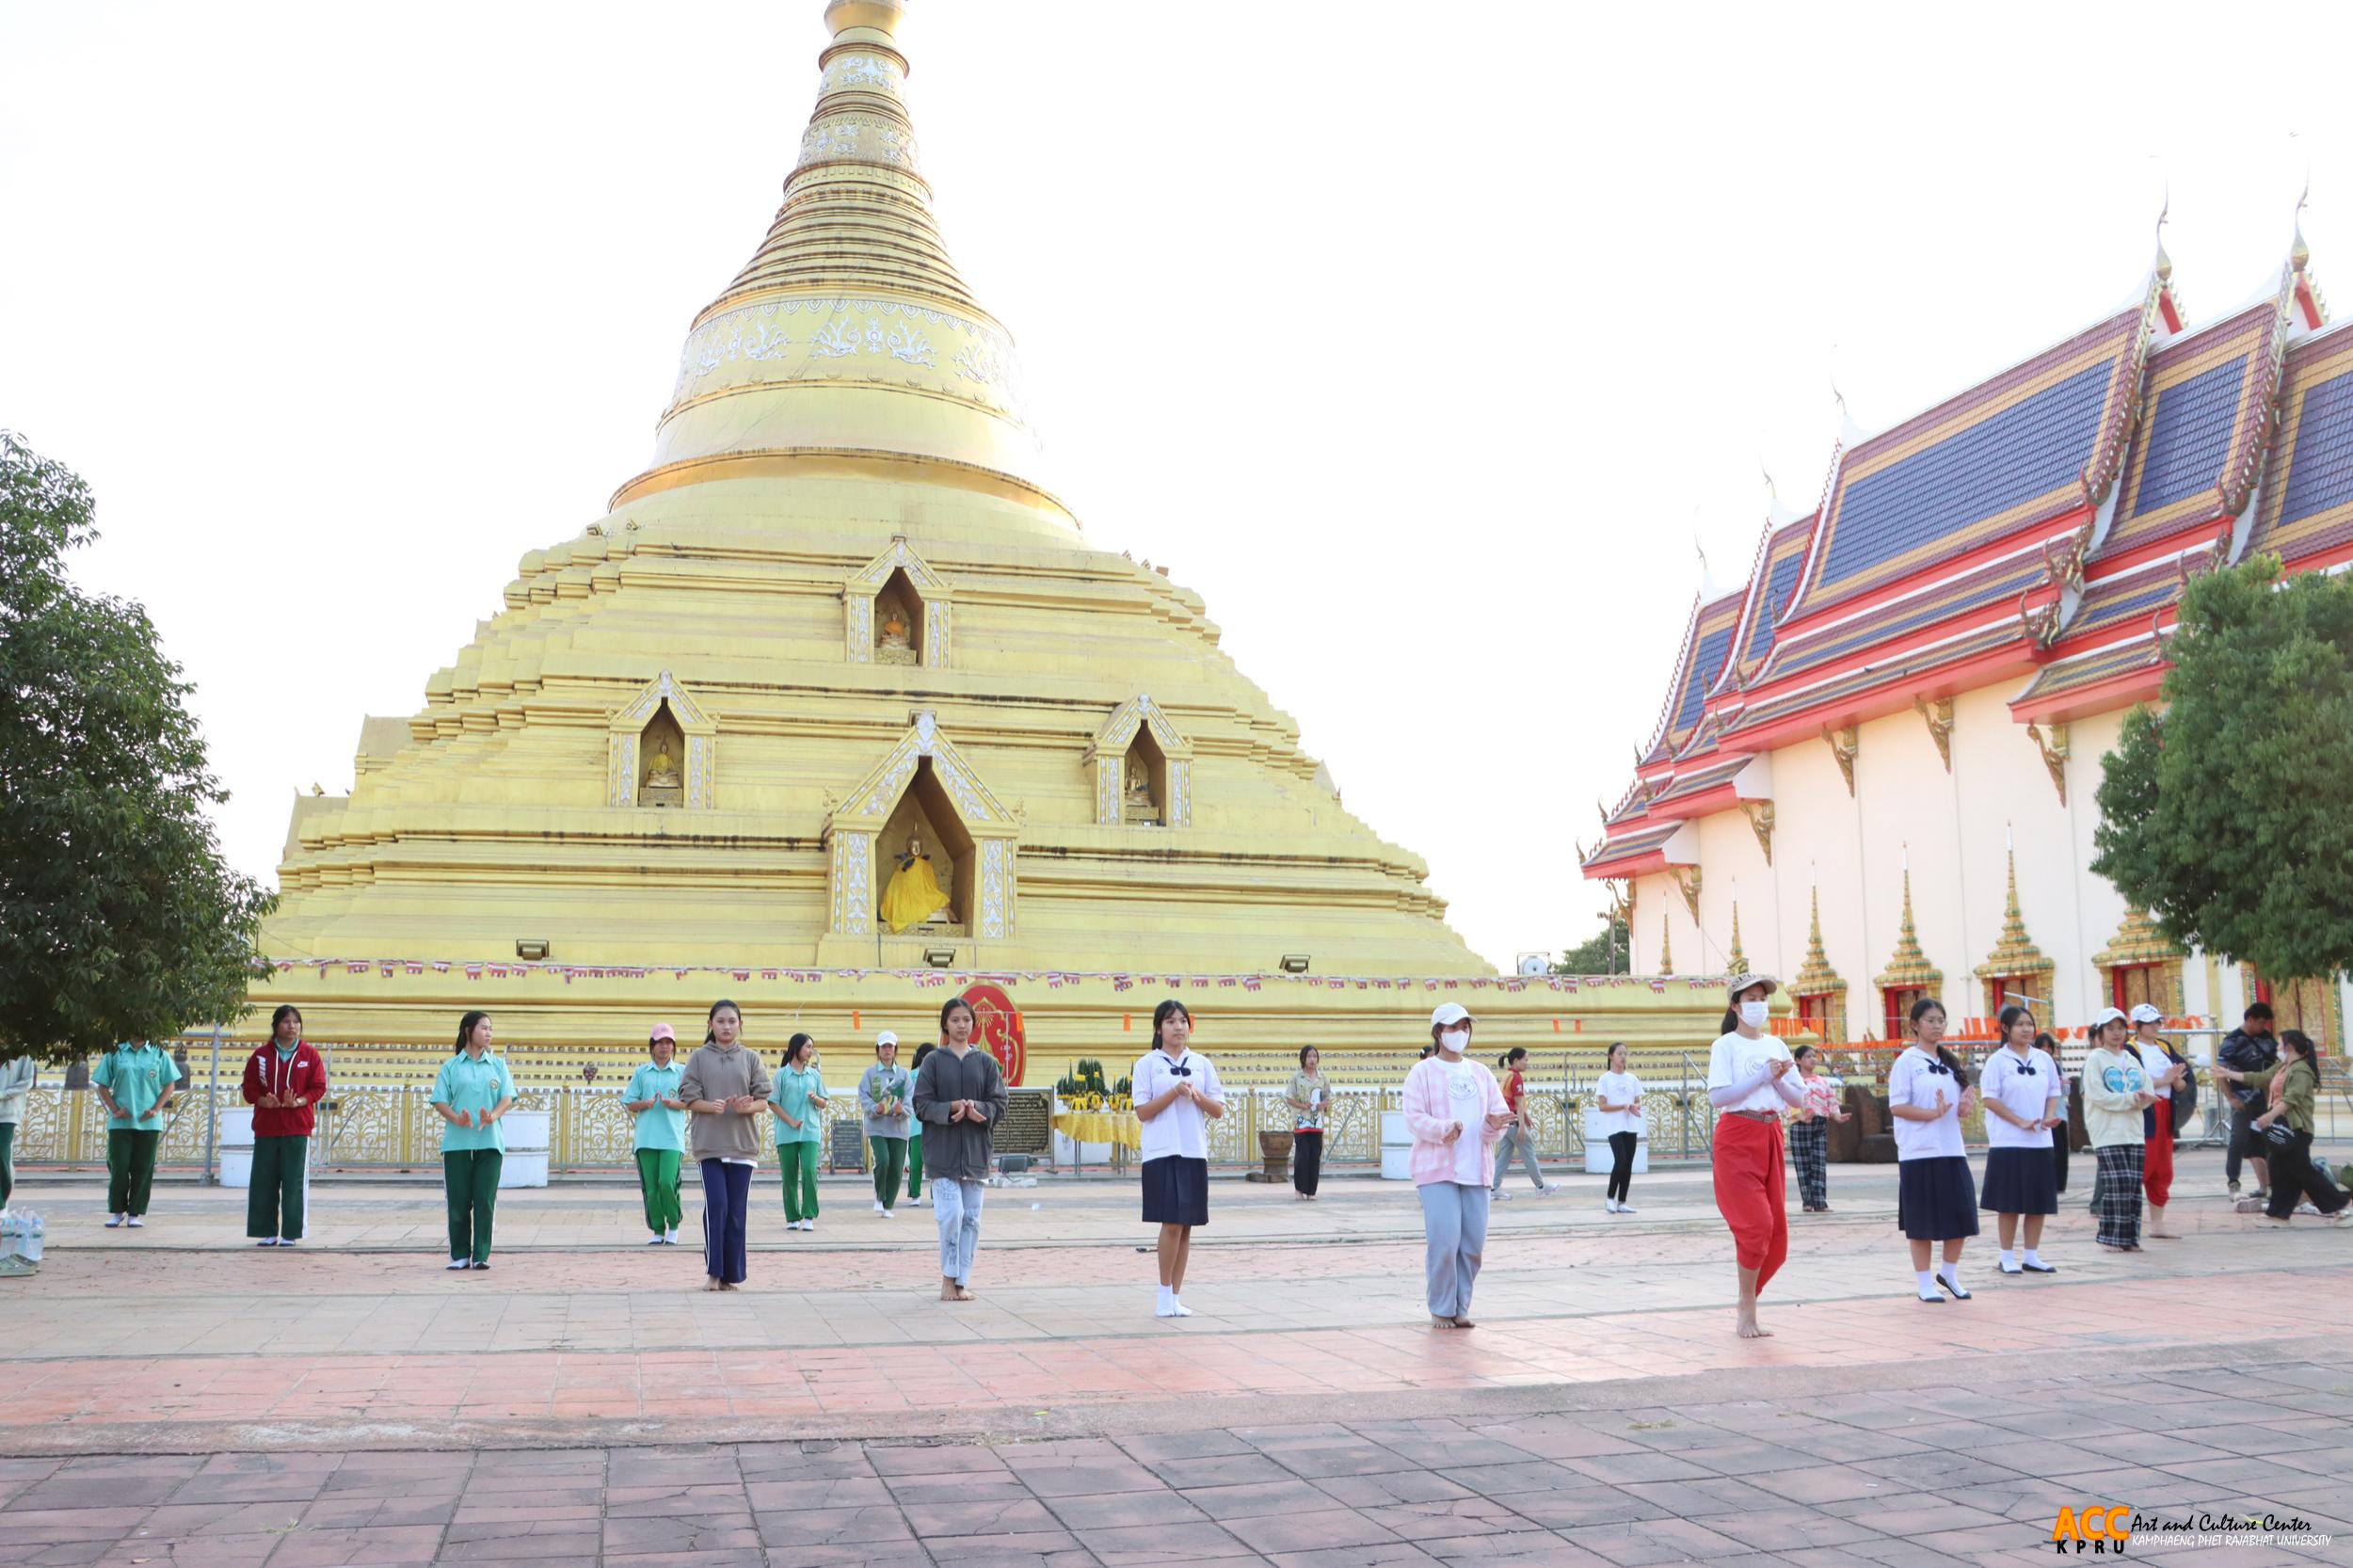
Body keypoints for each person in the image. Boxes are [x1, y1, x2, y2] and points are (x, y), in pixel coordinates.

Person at [1707, 974, 1804, 1336]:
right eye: (1750, 997)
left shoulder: (1777, 1044)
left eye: (1762, 997)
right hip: (1737, 1134)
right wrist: (1763, 1076)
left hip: (1770, 1133)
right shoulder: (1726, 1046)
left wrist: (1776, 1079)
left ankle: (1750, 1298)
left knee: (1775, 1232)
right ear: (1735, 1005)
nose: (1758, 1003)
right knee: (1756, 1224)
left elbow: (1798, 1099)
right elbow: (1719, 1097)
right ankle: (1746, 1305)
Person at [1403, 1004, 1510, 1328]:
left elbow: (1497, 1117)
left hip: (1477, 1169)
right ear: (1438, 1032)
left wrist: (1494, 1124)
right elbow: (1414, 1117)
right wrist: (1443, 1129)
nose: (1460, 1033)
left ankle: (1461, 1306)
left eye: (1464, 1026)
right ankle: (1440, 1306)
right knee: (1445, 1241)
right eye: (1452, 1027)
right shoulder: (1422, 1072)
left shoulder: (1480, 1073)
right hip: (1437, 1169)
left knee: (1472, 1245)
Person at [1133, 999, 1225, 1318]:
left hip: (1193, 1149)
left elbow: (1218, 1109)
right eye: (1171, 1021)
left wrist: (1195, 1095)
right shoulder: (1147, 1064)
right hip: (1162, 1151)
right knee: (1170, 1222)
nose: (1178, 1027)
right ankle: (1161, 1293)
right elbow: (1143, 1112)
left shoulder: (1201, 1063)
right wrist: (1174, 1092)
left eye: (1183, 1021)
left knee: (1186, 1225)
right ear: (1159, 1028)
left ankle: (1175, 1296)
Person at [913, 996, 1006, 1302]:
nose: (961, 1025)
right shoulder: (933, 1062)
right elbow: (921, 1104)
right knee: (951, 1214)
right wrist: (950, 1108)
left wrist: (979, 1109)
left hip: (976, 1155)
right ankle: (947, 1278)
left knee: (972, 1219)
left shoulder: (986, 1063)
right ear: (945, 1024)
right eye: (955, 1020)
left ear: (973, 1024)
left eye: (966, 1020)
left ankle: (962, 1280)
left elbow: (999, 1103)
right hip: (942, 1154)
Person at [1888, 998, 1978, 1302]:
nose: (1937, 1026)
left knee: (1961, 1214)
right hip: (1919, 1151)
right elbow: (1897, 1106)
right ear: (1915, 1025)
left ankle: (1949, 1272)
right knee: (1922, 1221)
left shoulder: (1950, 1063)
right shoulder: (1907, 1062)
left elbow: (1955, 1109)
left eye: (1941, 1020)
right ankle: (1924, 1282)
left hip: (1951, 1149)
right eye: (1930, 1020)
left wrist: (1963, 1108)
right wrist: (1932, 1114)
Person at [2213, 1030, 2351, 1227]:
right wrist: (2227, 1073)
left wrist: (2269, 1116)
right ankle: (2278, 1215)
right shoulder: (2283, 1067)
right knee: (2280, 1171)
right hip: (2283, 1129)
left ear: (2290, 1047)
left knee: (2304, 1173)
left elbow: (2292, 1098)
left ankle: (2343, 1207)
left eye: (2279, 1045)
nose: (2277, 1049)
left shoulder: (2301, 1070)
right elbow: (2259, 1078)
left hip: (2296, 1129)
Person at [680, 999, 772, 1291]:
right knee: (716, 1205)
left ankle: (731, 1276)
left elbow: (763, 1100)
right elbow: (688, 1096)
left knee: (736, 1211)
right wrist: (711, 1106)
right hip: (710, 1145)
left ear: (740, 1025)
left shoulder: (751, 1059)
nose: (726, 1026)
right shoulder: (698, 1058)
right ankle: (713, 1273)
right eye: (720, 1021)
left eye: (732, 1021)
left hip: (742, 1146)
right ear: (710, 1025)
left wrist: (748, 1106)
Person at [1977, 1006, 2061, 1276]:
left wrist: (2048, 1117)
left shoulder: (2043, 1059)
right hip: (2008, 1141)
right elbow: (1990, 1099)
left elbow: (2053, 1092)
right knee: (2009, 1202)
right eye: (2020, 1024)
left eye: (2030, 1024)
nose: (2026, 1029)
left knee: (2038, 1201)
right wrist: (2019, 1121)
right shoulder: (1997, 1061)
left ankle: (2032, 1255)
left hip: (2040, 1140)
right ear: (2005, 1028)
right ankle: (2006, 1256)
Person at [431, 1011, 515, 1272]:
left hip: (490, 1142)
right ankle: (459, 1254)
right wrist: (457, 1118)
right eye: (484, 1028)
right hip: (457, 1144)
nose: (489, 1033)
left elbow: (508, 1097)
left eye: (491, 1029)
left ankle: (480, 1254)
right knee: (458, 1200)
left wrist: (493, 1116)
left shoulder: (498, 1065)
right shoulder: (452, 1067)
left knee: (484, 1200)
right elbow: (440, 1100)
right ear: (468, 1031)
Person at [241, 1005, 326, 1247]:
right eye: (287, 1022)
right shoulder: (261, 1055)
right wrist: (263, 1101)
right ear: (276, 1025)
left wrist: (298, 1101)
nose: (292, 1026)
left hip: (297, 1127)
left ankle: (291, 1232)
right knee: (264, 1180)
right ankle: (267, 1231)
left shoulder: (309, 1055)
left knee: (294, 1181)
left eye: (296, 1022)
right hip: (266, 1127)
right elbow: (249, 1088)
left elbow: (318, 1087)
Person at [2082, 1007, 2153, 1252]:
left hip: (2133, 1130)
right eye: (2110, 1028)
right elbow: (2097, 1095)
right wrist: (2130, 1099)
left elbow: (2147, 1087)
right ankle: (2111, 1237)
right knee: (2117, 1182)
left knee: (2133, 1184)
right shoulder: (2096, 1059)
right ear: (2100, 1032)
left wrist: (2144, 1098)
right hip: (2107, 1131)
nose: (2116, 1033)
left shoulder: (2131, 1059)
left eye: (2120, 1028)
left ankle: (2130, 1238)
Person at [92, 1038, 181, 1228]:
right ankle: (117, 1211)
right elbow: (102, 1085)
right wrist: (114, 1109)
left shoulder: (159, 1053)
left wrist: (156, 1109)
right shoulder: (115, 1053)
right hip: (120, 1122)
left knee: (143, 1169)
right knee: (119, 1167)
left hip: (148, 1123)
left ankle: (135, 1213)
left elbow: (169, 1084)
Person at [623, 1024, 689, 1245]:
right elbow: (630, 1103)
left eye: (669, 1042)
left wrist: (674, 1103)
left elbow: (691, 1101)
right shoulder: (642, 1073)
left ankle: (674, 1224)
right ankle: (657, 1229)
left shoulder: (681, 1071)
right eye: (660, 1042)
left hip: (672, 1138)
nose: (665, 1047)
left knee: (667, 1182)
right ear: (652, 1046)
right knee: (651, 1187)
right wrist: (645, 1103)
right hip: (646, 1139)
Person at [2128, 1003, 2186, 1239]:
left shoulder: (2165, 1046)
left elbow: (2181, 1080)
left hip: (2166, 1110)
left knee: (2163, 1167)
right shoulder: (2130, 1050)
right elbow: (2135, 1081)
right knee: (2144, 1164)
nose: (2155, 1026)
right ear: (2138, 1026)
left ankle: (2158, 1223)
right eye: (2150, 1022)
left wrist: (2175, 1081)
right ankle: (2129, 1221)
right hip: (2146, 1111)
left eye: (2157, 1022)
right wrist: (2164, 1079)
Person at [2217, 1002, 2277, 1202]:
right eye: (2261, 1022)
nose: (2263, 1027)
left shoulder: (2267, 1039)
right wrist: (2231, 1098)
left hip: (2265, 1099)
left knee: (2268, 1140)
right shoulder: (2232, 1041)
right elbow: (2220, 1074)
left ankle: (2268, 1186)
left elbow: (2272, 1070)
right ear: (2250, 1019)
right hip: (2242, 1099)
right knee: (2239, 1141)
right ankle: (2233, 1183)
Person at [773, 1033, 828, 1231]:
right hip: (786, 1133)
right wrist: (791, 1121)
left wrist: (816, 1099)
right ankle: (792, 1217)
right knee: (789, 1176)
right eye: (807, 1047)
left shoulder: (814, 1075)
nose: (810, 1051)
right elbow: (773, 1103)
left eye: (812, 1047)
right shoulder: (781, 1075)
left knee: (809, 1171)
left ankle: (809, 1215)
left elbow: (824, 1102)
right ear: (796, 1048)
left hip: (810, 1132)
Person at [1785, 1043, 1848, 1214]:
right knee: (1803, 1164)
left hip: (1819, 1124)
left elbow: (1831, 1101)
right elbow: (1788, 1101)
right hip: (1800, 1125)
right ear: (1798, 1060)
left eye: (1814, 1056)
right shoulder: (1793, 1081)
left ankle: (1820, 1202)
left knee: (1819, 1163)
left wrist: (1837, 1115)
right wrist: (1801, 1117)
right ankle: (1807, 1201)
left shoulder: (1822, 1081)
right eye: (1808, 1056)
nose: (1812, 1059)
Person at [1489, 1047, 1557, 1202]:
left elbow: (1514, 1101)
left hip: (1507, 1122)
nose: (1527, 1063)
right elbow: (1518, 1104)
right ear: (1516, 1060)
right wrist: (1521, 1126)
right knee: (1529, 1153)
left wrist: (1525, 1117)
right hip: (1513, 1122)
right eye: (1525, 1060)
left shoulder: (1508, 1075)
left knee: (1504, 1156)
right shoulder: (1517, 1078)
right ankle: (1540, 1186)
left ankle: (1493, 1187)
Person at [859, 1031, 913, 1218]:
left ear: (895, 1049)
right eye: (884, 1046)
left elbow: (910, 1099)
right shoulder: (870, 1073)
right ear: (878, 1049)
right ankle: (879, 1196)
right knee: (883, 1160)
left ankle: (888, 1205)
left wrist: (902, 1110)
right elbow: (864, 1097)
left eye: (890, 1046)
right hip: (877, 1127)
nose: (887, 1050)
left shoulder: (904, 1075)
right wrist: (876, 1109)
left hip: (899, 1128)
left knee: (897, 1167)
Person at [1593, 1042, 1645, 1214]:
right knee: (1620, 1160)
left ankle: (1622, 1201)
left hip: (1630, 1125)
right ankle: (1610, 1198)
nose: (1623, 1057)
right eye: (1619, 1054)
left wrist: (1633, 1106)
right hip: (1614, 1126)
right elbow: (1602, 1105)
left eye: (1625, 1053)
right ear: (1611, 1057)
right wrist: (1621, 1106)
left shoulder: (1632, 1078)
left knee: (1628, 1163)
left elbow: (1638, 1100)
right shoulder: (1605, 1079)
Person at [1286, 1047, 1330, 1200]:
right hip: (1301, 1121)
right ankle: (1299, 1189)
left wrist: (1323, 1104)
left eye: (1315, 1056)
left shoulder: (1322, 1078)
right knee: (1302, 1156)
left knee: (1314, 1157)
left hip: (1317, 1123)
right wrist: (1302, 1106)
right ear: (1303, 1059)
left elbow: (1328, 1096)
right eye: (1309, 1056)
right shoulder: (1297, 1078)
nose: (1312, 1059)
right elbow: (1289, 1098)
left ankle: (1311, 1191)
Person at [0, 1052, 37, 1210]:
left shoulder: (22, 1052)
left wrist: (3, 1094)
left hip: (8, 1112)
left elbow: (27, 1081)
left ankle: (2, 1203)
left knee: (2, 1155)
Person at [2040, 1031, 2072, 1196]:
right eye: (2042, 1047)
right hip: (2044, 1115)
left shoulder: (2055, 1065)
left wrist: (2062, 1084)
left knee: (2062, 1150)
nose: (2046, 1050)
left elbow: (2066, 1089)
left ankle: (2061, 1184)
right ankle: (2048, 1183)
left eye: (2048, 1047)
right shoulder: (2035, 1064)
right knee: (2049, 1151)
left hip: (2059, 1113)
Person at [905, 1041, 932, 1208]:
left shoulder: (939, 1074)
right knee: (916, 1163)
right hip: (916, 1127)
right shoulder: (911, 1076)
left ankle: (936, 1195)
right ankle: (914, 1194)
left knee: (935, 1165)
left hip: (935, 1126)